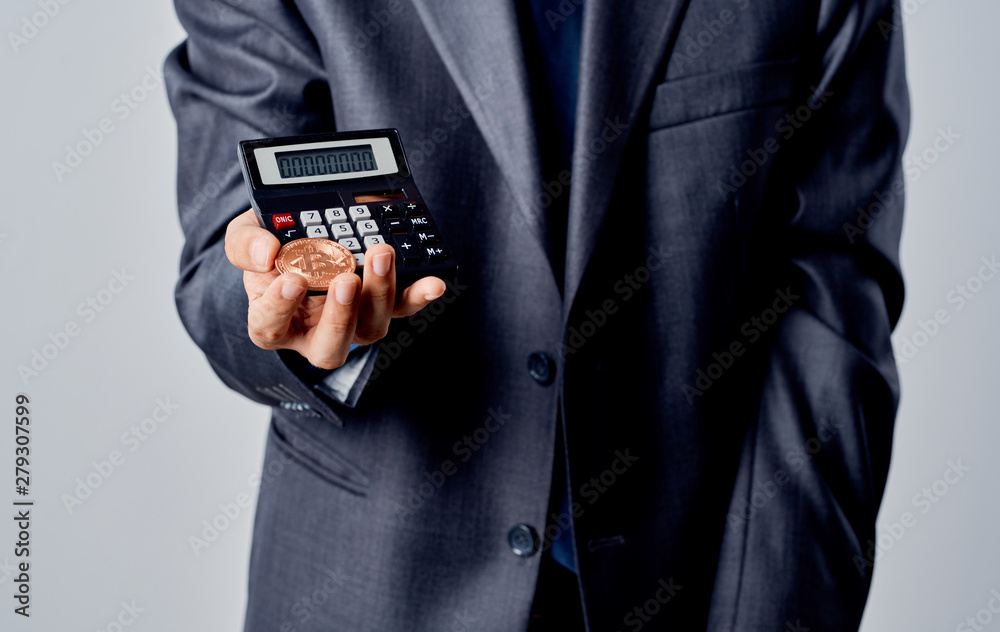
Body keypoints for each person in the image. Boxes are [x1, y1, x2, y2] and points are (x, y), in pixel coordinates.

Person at [164, 0, 909, 629]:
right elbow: (223, 246)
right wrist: (278, 313)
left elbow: (829, 302)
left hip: (693, 583)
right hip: (370, 585)